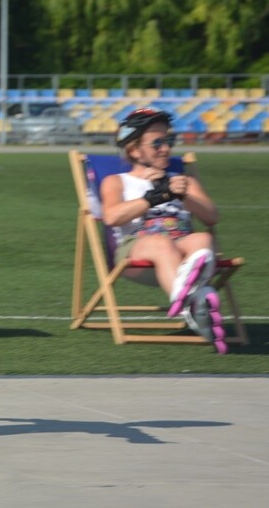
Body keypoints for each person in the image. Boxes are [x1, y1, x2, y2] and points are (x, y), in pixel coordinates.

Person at [99, 107, 226, 353]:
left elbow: (212, 216)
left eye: (169, 140)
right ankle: (194, 304)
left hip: (182, 246)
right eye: (157, 143)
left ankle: (195, 301)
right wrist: (156, 197)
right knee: (160, 242)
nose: (166, 148)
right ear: (134, 149)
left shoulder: (183, 181)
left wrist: (180, 193)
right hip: (138, 251)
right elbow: (112, 216)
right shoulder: (116, 181)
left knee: (202, 238)